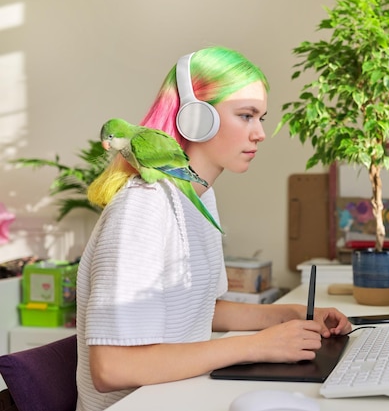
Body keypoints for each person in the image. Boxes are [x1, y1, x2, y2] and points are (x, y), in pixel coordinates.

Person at [75, 46, 352, 411]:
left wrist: (289, 315)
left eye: (261, 118)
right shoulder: (143, 206)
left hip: (181, 396)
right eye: (246, 116)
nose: (260, 133)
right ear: (195, 119)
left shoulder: (200, 197)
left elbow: (201, 307)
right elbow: (112, 368)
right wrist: (258, 345)